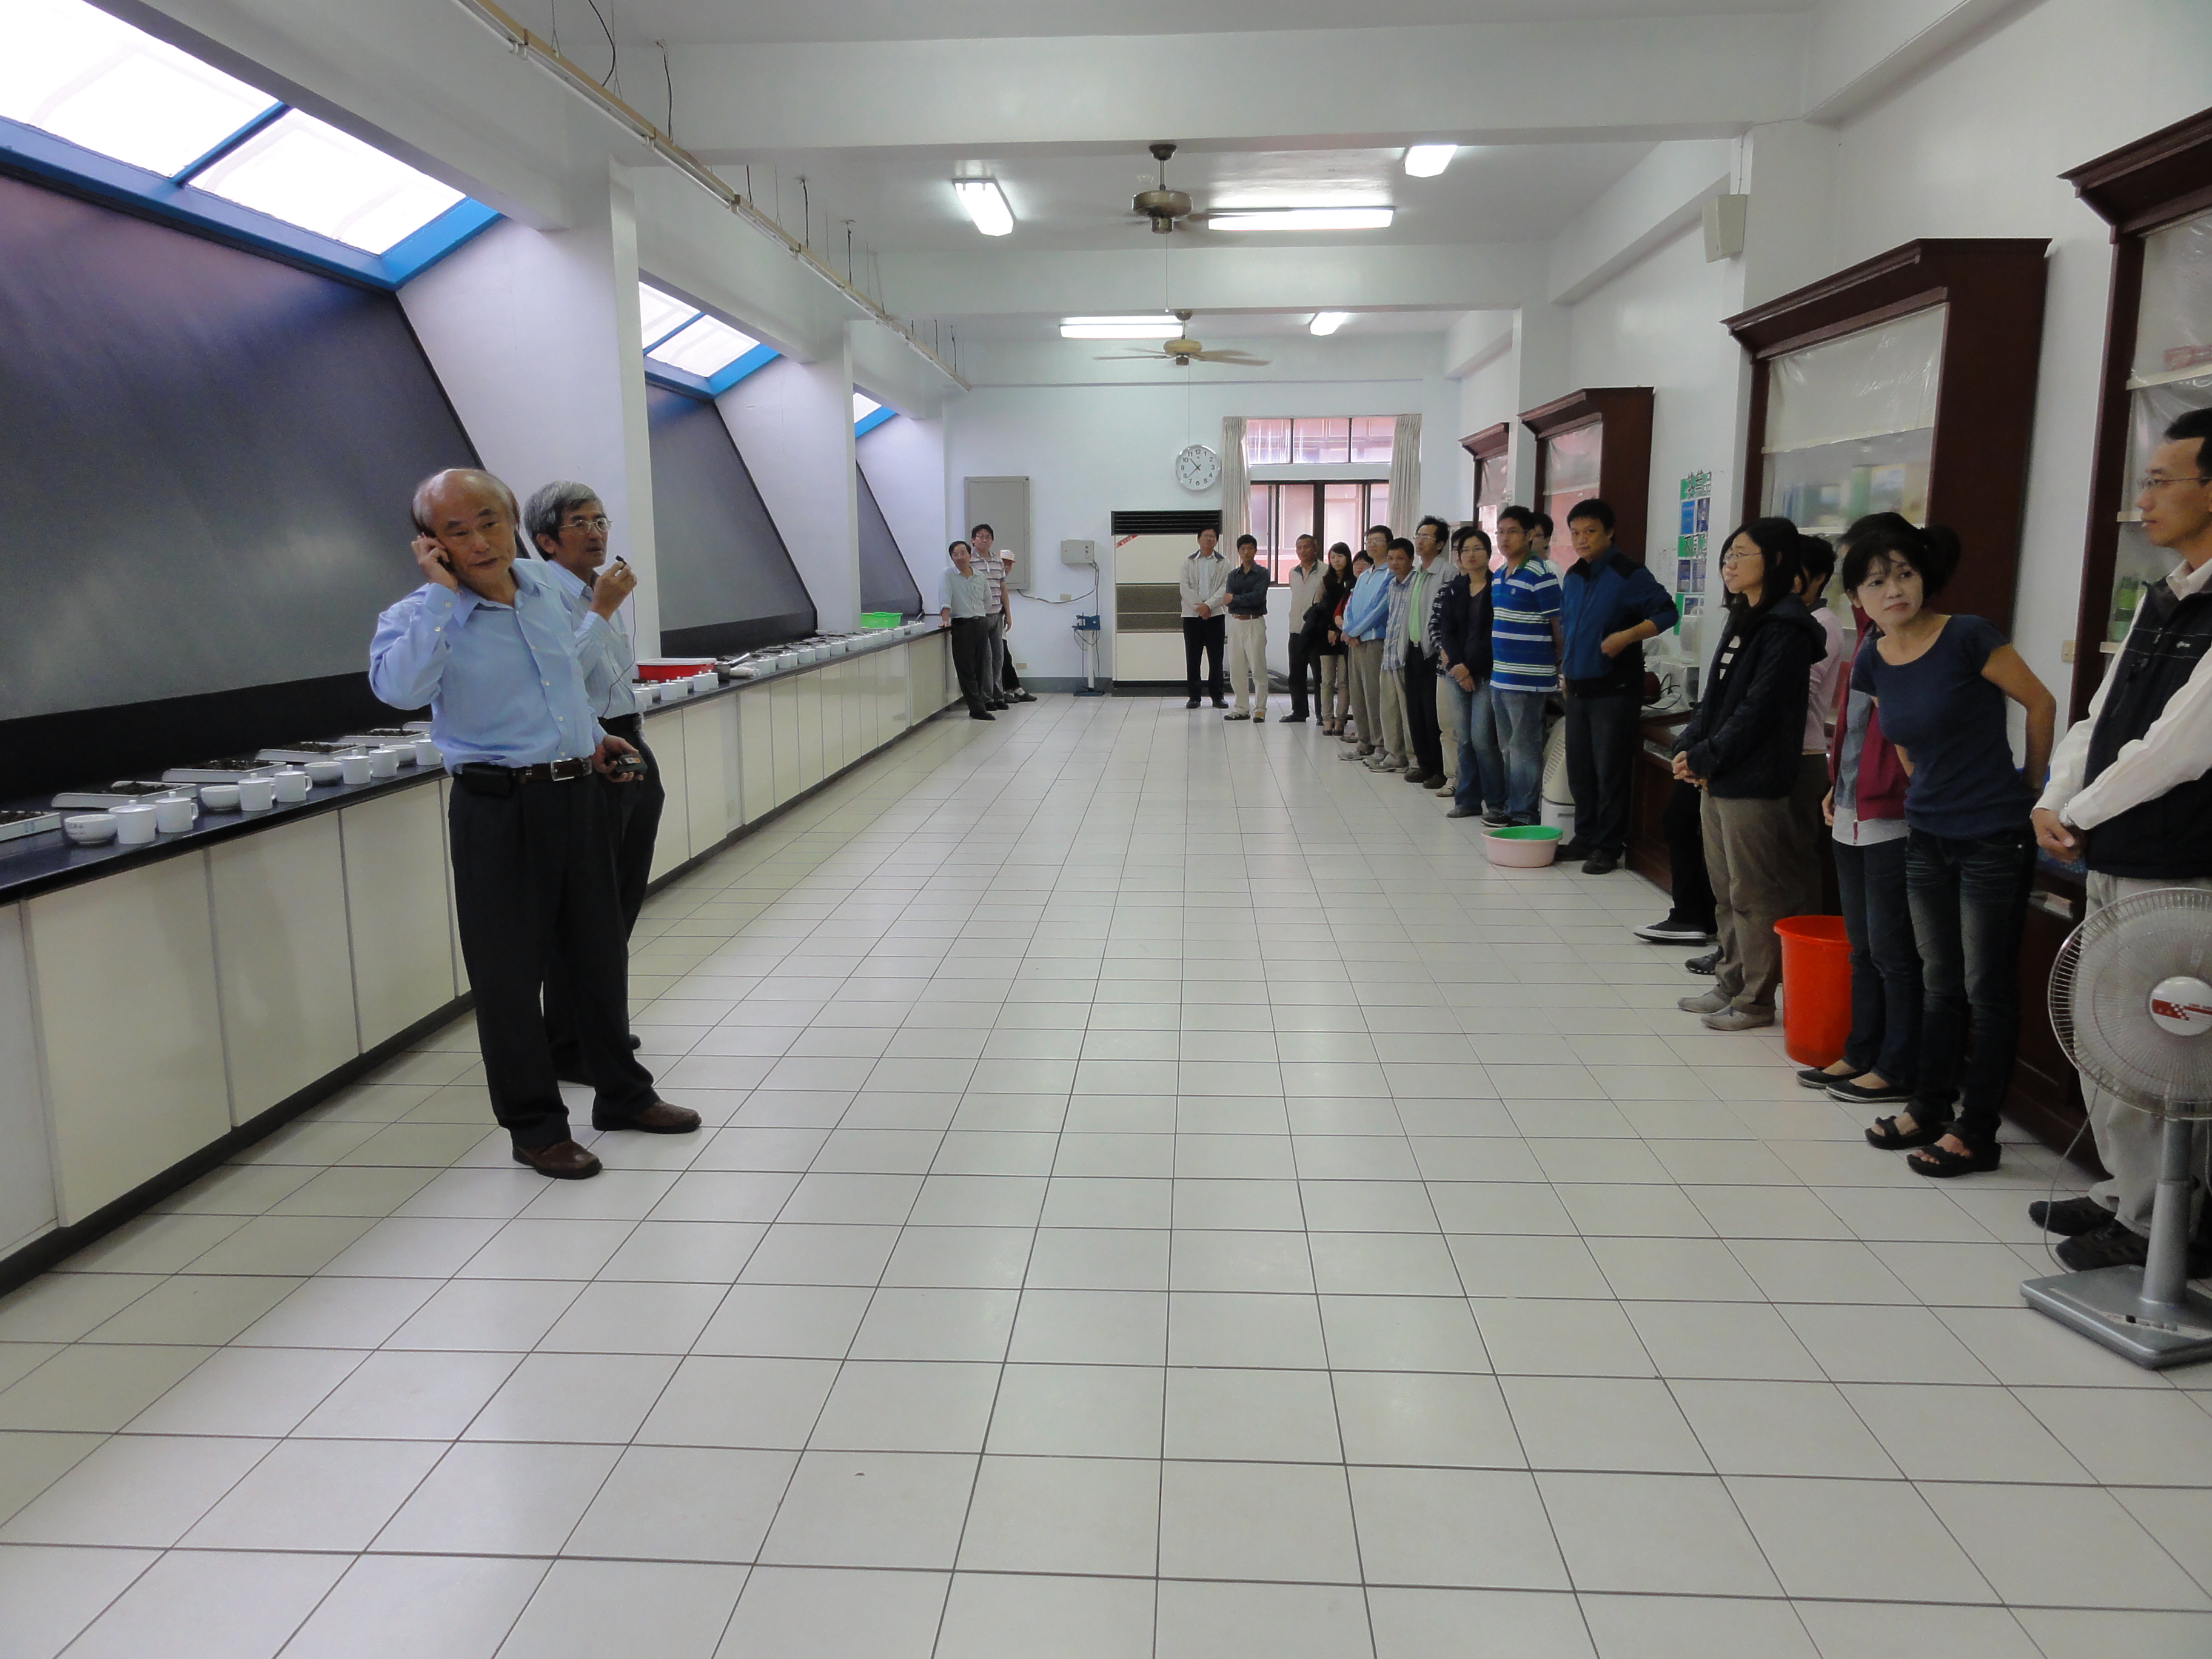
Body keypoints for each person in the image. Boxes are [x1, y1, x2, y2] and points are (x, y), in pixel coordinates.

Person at [369, 468, 699, 1180]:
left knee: (599, 953)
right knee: (509, 974)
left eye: (489, 520)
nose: (479, 541)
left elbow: (563, 681)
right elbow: (399, 689)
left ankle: (622, 1094)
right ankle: (536, 1128)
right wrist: (440, 596)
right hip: (499, 807)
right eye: (456, 531)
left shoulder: (548, 588)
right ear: (430, 544)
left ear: (512, 518)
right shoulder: (418, 616)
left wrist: (593, 739)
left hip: (578, 792)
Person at [2032, 407, 2212, 1267]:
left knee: (2163, 1045)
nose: (2145, 499)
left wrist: (2080, 813)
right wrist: (2055, 796)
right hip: (2113, 852)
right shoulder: (2166, 596)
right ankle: (2124, 1190)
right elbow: (2100, 718)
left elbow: (2181, 746)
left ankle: (2159, 1223)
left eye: (2161, 481)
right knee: (2106, 1035)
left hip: (2178, 864)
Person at [1848, 520, 2054, 1177]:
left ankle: (1977, 1131)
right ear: (1858, 597)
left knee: (1985, 986)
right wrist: (1925, 792)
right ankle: (1930, 1107)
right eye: (1875, 581)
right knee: (1939, 980)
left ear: (1924, 577)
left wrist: (2032, 787)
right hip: (1926, 833)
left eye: (1904, 574)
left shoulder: (1968, 635)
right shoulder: (1874, 657)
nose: (1893, 590)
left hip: (1993, 833)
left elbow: (2041, 703)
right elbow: (1903, 740)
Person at [525, 481, 664, 1081]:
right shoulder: (541, 595)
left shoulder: (593, 589)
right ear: (546, 540)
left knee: (621, 898)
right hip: (592, 752)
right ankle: (568, 1039)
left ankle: (596, 1023)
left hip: (627, 741)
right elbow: (559, 679)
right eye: (579, 522)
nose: (596, 532)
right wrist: (602, 611)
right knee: (588, 909)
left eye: (601, 520)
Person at [1671, 518, 1826, 1031]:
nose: (1729, 563)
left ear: (1775, 561)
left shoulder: (1787, 627)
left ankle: (1757, 1000)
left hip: (1755, 780)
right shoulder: (1744, 615)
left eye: (1741, 554)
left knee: (1755, 894)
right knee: (1725, 891)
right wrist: (1688, 746)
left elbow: (1758, 711)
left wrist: (1706, 756)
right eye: (1727, 554)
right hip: (1719, 776)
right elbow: (1717, 697)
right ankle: (1729, 982)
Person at [1809, 514, 1919, 1108]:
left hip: (1894, 814)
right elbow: (1854, 727)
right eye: (1865, 578)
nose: (1878, 589)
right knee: (1864, 948)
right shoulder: (1869, 638)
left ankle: (1895, 1065)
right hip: (1850, 806)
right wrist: (1838, 783)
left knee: (1893, 951)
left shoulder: (1918, 640)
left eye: (1891, 574)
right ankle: (1860, 1051)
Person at [1557, 498, 1679, 874]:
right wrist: (1565, 672)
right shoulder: (1573, 575)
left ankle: (1608, 846)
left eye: (1590, 531)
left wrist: (1626, 636)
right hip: (1577, 687)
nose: (1582, 539)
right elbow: (1570, 628)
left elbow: (1667, 612)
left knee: (1610, 769)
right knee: (1580, 768)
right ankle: (1585, 836)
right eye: (1575, 532)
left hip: (1614, 689)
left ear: (1609, 533)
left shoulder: (1629, 573)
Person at [1487, 505, 1563, 829]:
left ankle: (1524, 814)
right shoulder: (1498, 576)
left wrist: (1556, 663)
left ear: (1530, 535)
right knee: (1508, 747)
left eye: (1513, 532)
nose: (1505, 539)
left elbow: (1559, 626)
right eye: (1500, 532)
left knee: (1525, 748)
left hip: (1529, 678)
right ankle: (1511, 806)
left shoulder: (1541, 575)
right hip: (1501, 675)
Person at [1436, 525, 1506, 822]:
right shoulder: (1455, 588)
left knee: (1483, 740)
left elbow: (1494, 634)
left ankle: (1497, 803)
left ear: (1489, 553)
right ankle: (1467, 800)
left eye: (1478, 549)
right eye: (1465, 550)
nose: (1471, 554)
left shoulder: (1498, 586)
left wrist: (1469, 667)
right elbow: (1447, 630)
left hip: (1487, 673)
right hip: (1457, 673)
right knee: (1463, 739)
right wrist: (1457, 667)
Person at [1400, 516, 1451, 787]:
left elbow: (1445, 617)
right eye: (1418, 535)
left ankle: (1440, 770)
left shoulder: (1447, 573)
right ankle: (1424, 764)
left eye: (1426, 537)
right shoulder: (1417, 573)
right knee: (1416, 712)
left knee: (1433, 714)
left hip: (1433, 652)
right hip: (1413, 649)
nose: (1419, 541)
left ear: (1440, 544)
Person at [1367, 538, 1419, 773]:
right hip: (1389, 653)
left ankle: (1414, 757)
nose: (1394, 563)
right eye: (1391, 558)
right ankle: (1395, 754)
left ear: (1411, 559)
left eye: (1400, 558)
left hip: (1406, 655)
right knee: (1389, 708)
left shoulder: (1416, 583)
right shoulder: (1392, 585)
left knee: (1408, 711)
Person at [1342, 542, 1394, 762]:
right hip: (1355, 642)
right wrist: (1347, 630)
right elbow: (1350, 605)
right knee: (1358, 693)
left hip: (1373, 639)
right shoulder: (1364, 575)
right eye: (1369, 541)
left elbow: (1379, 609)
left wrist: (1354, 631)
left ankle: (1380, 744)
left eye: (1377, 540)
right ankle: (1364, 741)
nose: (1372, 544)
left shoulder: (1390, 573)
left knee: (1374, 694)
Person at [939, 539, 996, 720]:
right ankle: (977, 709)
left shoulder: (979, 576)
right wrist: (945, 619)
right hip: (962, 625)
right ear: (951, 558)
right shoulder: (948, 575)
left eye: (962, 553)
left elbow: (987, 600)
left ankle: (980, 703)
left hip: (981, 623)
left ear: (970, 555)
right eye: (955, 555)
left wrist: (980, 616)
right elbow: (945, 599)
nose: (959, 558)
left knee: (981, 666)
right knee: (966, 669)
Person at [1179, 525, 1229, 709]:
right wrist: (1200, 607)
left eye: (1212, 536)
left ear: (1217, 541)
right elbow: (1184, 588)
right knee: (1193, 658)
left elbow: (1225, 587)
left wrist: (1208, 606)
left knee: (1216, 659)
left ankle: (1217, 696)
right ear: (1199, 539)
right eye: (1206, 536)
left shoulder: (1224, 562)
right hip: (1192, 617)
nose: (1209, 539)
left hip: (1215, 616)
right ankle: (1194, 697)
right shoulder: (1188, 562)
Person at [1222, 533, 1271, 720]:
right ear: (1238, 552)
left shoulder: (1262, 573)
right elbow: (1228, 601)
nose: (1246, 552)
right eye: (1243, 549)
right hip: (1236, 623)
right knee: (1236, 669)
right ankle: (1241, 708)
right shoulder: (1233, 575)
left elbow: (1257, 598)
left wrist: (1235, 598)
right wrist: (1238, 600)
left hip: (1254, 622)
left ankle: (1260, 709)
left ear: (1255, 551)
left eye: (1250, 548)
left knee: (1258, 668)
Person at [1310, 541, 1355, 736]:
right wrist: (1330, 628)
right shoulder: (1325, 580)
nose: (1336, 561)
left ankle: (1340, 720)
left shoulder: (1354, 581)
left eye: (1340, 556)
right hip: (1325, 635)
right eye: (1333, 557)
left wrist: (1338, 628)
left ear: (1348, 558)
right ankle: (1327, 719)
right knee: (1326, 681)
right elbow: (1317, 607)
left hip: (1346, 634)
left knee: (1344, 682)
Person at [1283, 534, 1325, 723]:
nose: (1302, 551)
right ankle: (1299, 712)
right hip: (1296, 630)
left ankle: (1323, 714)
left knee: (1320, 676)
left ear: (1315, 549)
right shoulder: (1293, 572)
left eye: (1306, 547)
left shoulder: (1326, 571)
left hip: (1316, 631)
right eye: (1299, 548)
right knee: (1296, 674)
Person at [971, 522, 1010, 711]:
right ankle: (987, 698)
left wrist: (1008, 614)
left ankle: (998, 694)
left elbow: (1003, 588)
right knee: (985, 658)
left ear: (992, 541)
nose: (984, 540)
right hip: (980, 616)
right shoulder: (969, 562)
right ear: (973, 540)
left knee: (998, 657)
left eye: (988, 537)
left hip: (997, 614)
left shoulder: (998, 562)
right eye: (980, 536)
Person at [996, 548, 1039, 703]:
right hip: (989, 624)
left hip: (998, 624)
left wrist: (1008, 615)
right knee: (1001, 659)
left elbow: (1005, 600)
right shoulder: (989, 579)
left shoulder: (1002, 582)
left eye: (1009, 565)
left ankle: (1013, 690)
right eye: (1004, 563)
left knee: (1004, 658)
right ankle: (1006, 691)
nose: (1007, 568)